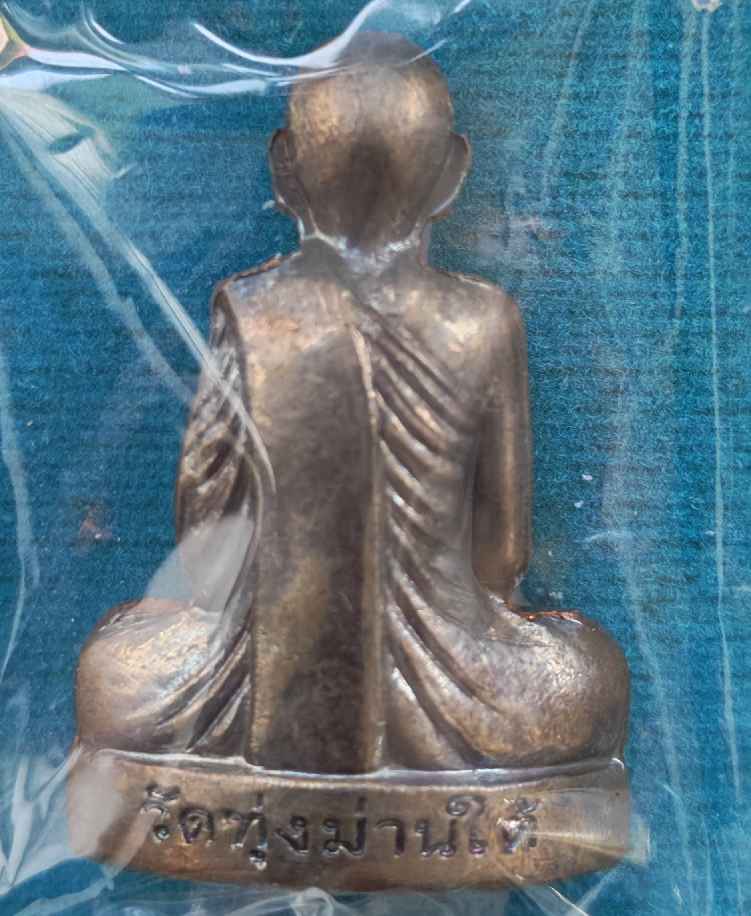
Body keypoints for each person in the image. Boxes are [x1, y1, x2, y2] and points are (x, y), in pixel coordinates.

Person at [77, 33, 628, 774]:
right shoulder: (485, 321)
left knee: (114, 671)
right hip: (460, 697)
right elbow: (500, 554)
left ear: (285, 169)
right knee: (584, 677)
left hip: (250, 691)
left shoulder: (247, 309)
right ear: (452, 174)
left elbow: (205, 548)